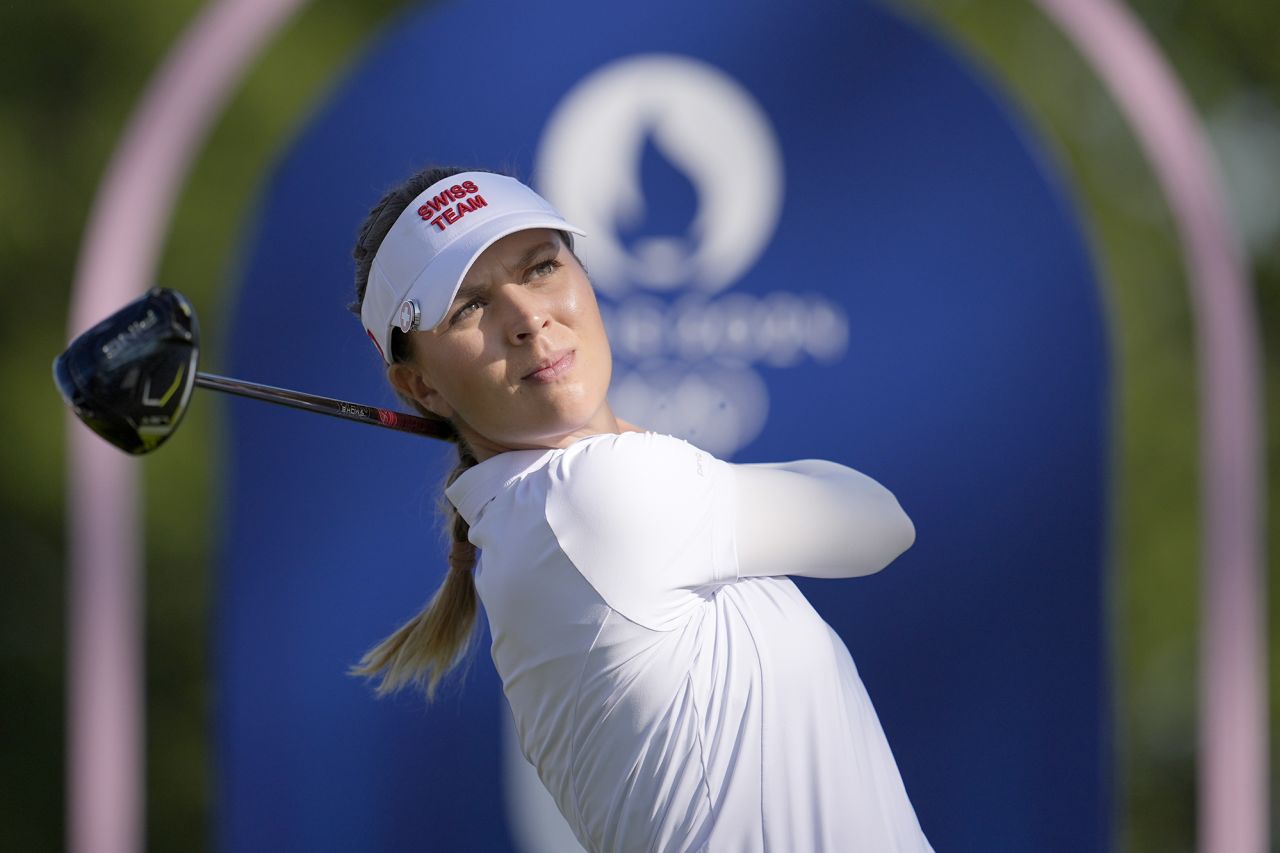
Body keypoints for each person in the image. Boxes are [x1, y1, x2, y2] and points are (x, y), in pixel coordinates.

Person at [349, 165, 933, 852]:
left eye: (540, 267)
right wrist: (618, 431)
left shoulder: (538, 516)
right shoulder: (595, 494)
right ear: (419, 383)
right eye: (469, 307)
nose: (526, 318)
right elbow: (876, 520)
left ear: (585, 279)